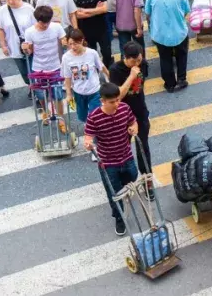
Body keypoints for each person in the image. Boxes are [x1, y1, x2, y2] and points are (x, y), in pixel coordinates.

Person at [83, 82, 138, 236]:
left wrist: (134, 128)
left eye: (117, 100)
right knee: (114, 194)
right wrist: (88, 143)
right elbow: (88, 136)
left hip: (126, 156)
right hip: (108, 163)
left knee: (133, 177)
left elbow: (133, 122)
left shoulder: (124, 109)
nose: (116, 104)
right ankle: (119, 219)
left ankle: (124, 193)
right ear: (103, 101)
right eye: (112, 102)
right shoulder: (94, 117)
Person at [144, 0, 191, 92]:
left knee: (165, 58)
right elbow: (186, 10)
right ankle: (181, 79)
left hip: (160, 33)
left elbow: (147, 14)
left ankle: (169, 84)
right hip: (179, 31)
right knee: (182, 55)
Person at [108, 41, 152, 174]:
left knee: (143, 146)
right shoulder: (115, 70)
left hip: (140, 112)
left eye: (139, 59)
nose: (138, 63)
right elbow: (118, 95)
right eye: (135, 61)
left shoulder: (142, 63)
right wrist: (132, 76)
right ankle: (125, 176)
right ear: (125, 58)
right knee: (123, 148)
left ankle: (147, 176)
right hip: (122, 115)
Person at [62, 27, 108, 124]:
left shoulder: (92, 53)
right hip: (79, 92)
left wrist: (111, 79)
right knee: (82, 117)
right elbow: (67, 77)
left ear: (82, 41)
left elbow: (102, 67)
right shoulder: (66, 57)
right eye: (70, 44)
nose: (73, 47)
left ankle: (94, 134)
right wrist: (69, 94)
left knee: (95, 117)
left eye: (75, 43)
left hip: (94, 90)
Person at [73, 0, 114, 68]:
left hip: (102, 29)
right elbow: (77, 14)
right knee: (90, 56)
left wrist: (85, 10)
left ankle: (107, 72)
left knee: (107, 53)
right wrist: (96, 10)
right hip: (86, 31)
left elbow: (104, 9)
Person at [0, 0, 36, 83]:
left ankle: (37, 92)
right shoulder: (2, 11)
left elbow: (35, 26)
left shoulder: (28, 8)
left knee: (33, 70)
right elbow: (0, 29)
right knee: (24, 72)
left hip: (30, 45)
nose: (10, 1)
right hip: (14, 46)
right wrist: (3, 45)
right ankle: (31, 87)